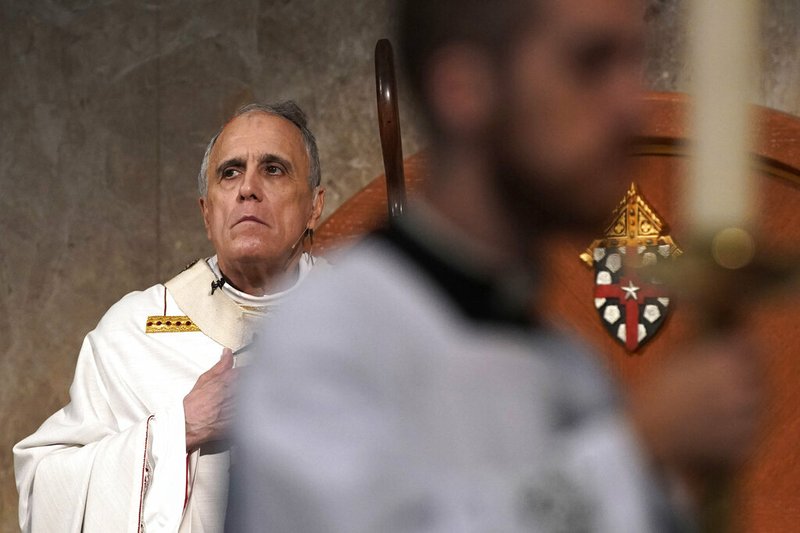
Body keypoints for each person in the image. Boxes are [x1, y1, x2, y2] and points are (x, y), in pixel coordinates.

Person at [228, 0, 762, 532]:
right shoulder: (328, 337)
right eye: (590, 62)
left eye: (636, 61)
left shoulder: (572, 364)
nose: (632, 107)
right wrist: (639, 449)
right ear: (465, 89)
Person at [14, 101, 326, 532]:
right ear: (206, 212)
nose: (247, 188)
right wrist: (183, 426)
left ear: (314, 205)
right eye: (230, 172)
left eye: (273, 169)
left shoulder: (371, 326)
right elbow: (42, 486)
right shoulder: (134, 331)